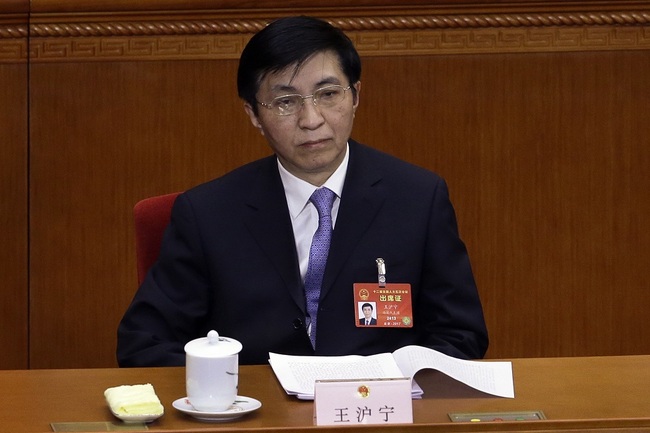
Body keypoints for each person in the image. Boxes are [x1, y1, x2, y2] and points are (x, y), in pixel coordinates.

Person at [117, 15, 488, 367]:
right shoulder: (207, 213)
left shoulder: (418, 199)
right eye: (285, 102)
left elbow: (460, 335)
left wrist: (397, 384)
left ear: (355, 95)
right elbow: (143, 342)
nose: (311, 120)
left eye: (328, 94)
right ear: (253, 115)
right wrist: (226, 389)